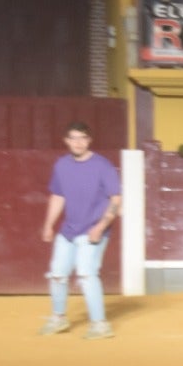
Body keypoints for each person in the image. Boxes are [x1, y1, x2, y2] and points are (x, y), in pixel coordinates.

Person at [39, 122, 121, 340]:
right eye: (73, 138)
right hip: (68, 230)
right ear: (66, 141)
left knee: (86, 273)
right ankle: (59, 318)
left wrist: (101, 227)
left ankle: (100, 324)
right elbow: (58, 196)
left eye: (82, 138)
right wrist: (48, 224)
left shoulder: (103, 166)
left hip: (93, 229)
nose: (78, 142)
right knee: (57, 274)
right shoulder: (61, 165)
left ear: (89, 140)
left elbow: (116, 200)